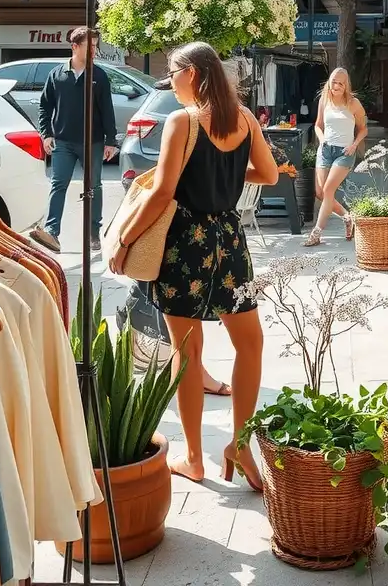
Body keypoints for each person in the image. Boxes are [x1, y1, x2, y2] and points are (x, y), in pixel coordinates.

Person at [109, 41, 279, 487]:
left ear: (195, 75)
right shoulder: (243, 119)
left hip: (186, 244)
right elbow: (270, 175)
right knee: (251, 345)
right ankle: (240, 445)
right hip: (230, 243)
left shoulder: (181, 122)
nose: (170, 81)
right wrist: (224, 175)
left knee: (187, 354)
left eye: (174, 73)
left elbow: (163, 192)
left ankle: (194, 459)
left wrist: (123, 240)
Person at [32, 27, 118, 254]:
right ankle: (52, 232)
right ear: (75, 47)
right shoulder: (57, 75)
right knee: (58, 184)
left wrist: (111, 140)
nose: (94, 50)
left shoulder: (98, 76)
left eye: (96, 46)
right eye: (90, 46)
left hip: (94, 142)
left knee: (94, 186)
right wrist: (46, 133)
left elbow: (107, 110)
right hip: (63, 142)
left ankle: (93, 233)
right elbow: (45, 106)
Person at [305, 67, 367, 247]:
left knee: (328, 190)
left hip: (344, 153)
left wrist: (354, 145)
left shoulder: (353, 103)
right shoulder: (324, 100)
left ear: (346, 85)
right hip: (325, 150)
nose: (337, 86)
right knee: (320, 193)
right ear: (330, 82)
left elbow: (363, 129)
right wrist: (322, 139)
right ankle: (348, 218)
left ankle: (316, 233)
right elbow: (317, 125)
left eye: (341, 83)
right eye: (334, 82)